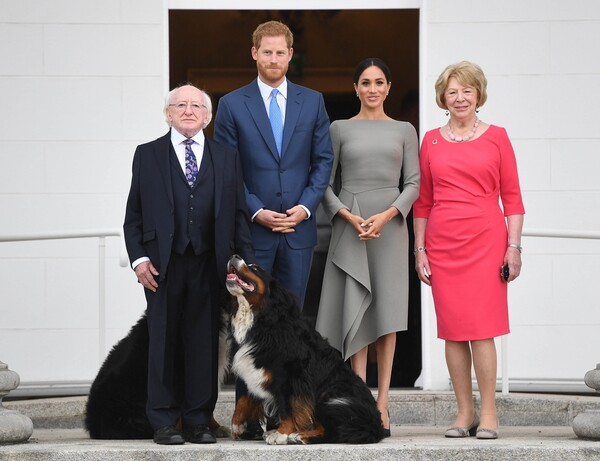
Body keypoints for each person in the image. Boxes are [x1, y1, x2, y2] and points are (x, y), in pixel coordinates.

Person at [123, 84, 254, 445]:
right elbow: (133, 217)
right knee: (162, 342)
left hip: (210, 264)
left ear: (208, 116)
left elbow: (240, 214)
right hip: (163, 266)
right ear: (167, 113)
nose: (188, 110)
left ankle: (197, 420)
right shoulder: (147, 155)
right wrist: (139, 260)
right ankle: (163, 421)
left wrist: (242, 265)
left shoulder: (226, 157)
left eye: (196, 105)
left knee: (203, 344)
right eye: (179, 105)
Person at [413, 61, 525, 440]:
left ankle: (489, 412)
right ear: (443, 98)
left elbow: (512, 199)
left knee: (483, 329)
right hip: (443, 244)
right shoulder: (429, 140)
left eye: (467, 91)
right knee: (453, 331)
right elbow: (423, 202)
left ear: (479, 95)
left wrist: (514, 248)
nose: (460, 98)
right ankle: (464, 413)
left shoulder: (498, 137)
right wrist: (419, 250)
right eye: (452, 92)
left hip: (487, 241)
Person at [315, 58, 420, 436]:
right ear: (356, 88)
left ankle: (383, 402)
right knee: (355, 310)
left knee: (387, 315)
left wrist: (388, 215)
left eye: (379, 82)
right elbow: (323, 183)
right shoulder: (338, 128)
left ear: (389, 87)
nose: (372, 88)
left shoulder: (405, 130)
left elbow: (413, 183)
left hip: (390, 229)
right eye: (365, 82)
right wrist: (347, 215)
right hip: (352, 224)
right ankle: (359, 397)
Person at [213, 20, 334, 309]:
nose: (273, 60)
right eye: (267, 52)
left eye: (280, 53)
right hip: (252, 233)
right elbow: (225, 168)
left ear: (291, 54)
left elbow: (323, 159)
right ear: (254, 53)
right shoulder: (231, 105)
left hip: (298, 231)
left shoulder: (313, 101)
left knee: (293, 318)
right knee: (251, 319)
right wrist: (255, 210)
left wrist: (305, 208)